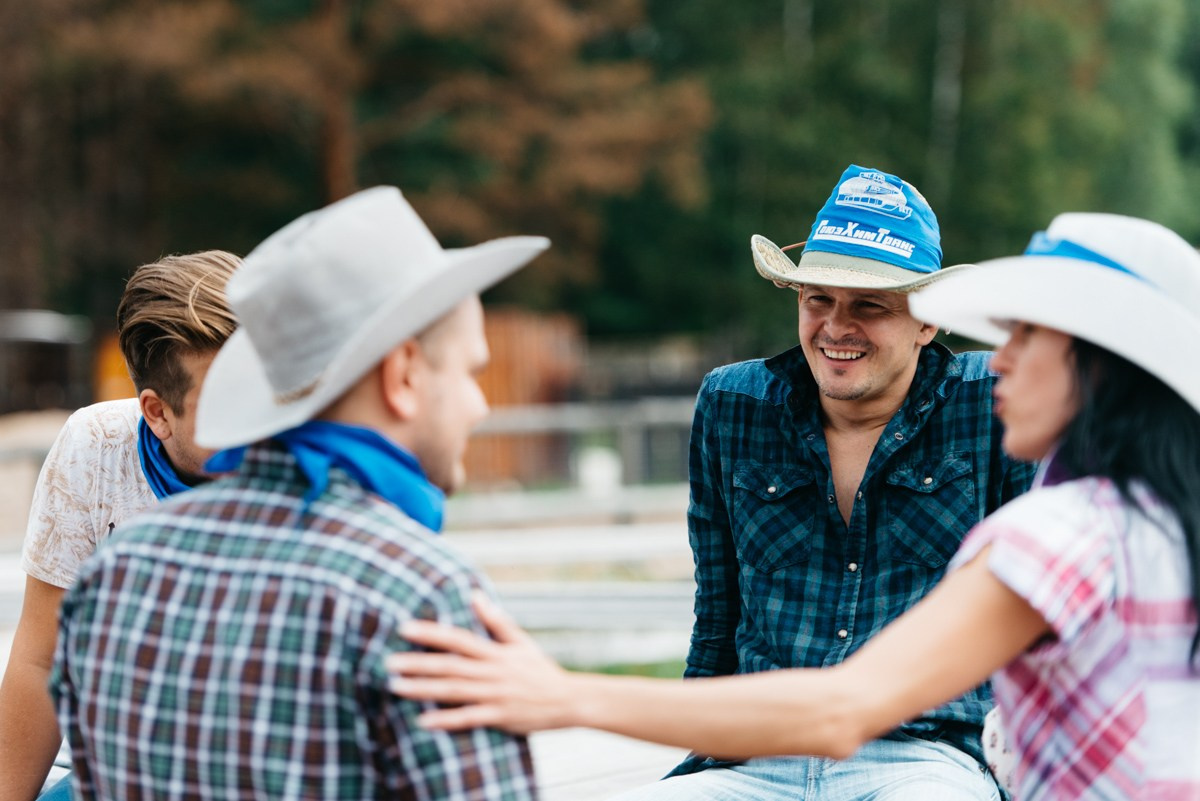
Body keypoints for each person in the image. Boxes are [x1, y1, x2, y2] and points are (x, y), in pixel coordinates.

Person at [390, 211, 1200, 799]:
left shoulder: (1053, 537)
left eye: (1027, 335)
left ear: (1100, 364)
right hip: (757, 759)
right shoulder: (1160, 522)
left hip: (919, 756)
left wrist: (562, 692)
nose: (1002, 361)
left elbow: (846, 705)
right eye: (818, 298)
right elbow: (723, 613)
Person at [49, 186, 549, 800]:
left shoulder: (113, 575)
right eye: (470, 372)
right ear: (403, 374)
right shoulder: (417, 596)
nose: (481, 405)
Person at [0, 250, 240, 801]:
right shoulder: (98, 447)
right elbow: (42, 657)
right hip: (123, 762)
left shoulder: (310, 450)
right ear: (156, 412)